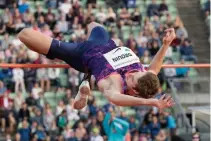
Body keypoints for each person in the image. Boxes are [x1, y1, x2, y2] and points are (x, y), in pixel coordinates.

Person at [18, 22, 175, 110]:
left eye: (132, 78)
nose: (131, 74)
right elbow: (154, 69)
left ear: (134, 91)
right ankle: (82, 79)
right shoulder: (147, 76)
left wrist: (152, 102)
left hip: (83, 54)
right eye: (137, 73)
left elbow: (115, 98)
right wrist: (166, 45)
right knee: (93, 24)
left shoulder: (116, 84)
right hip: (103, 41)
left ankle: (81, 75)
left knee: (24, 34)